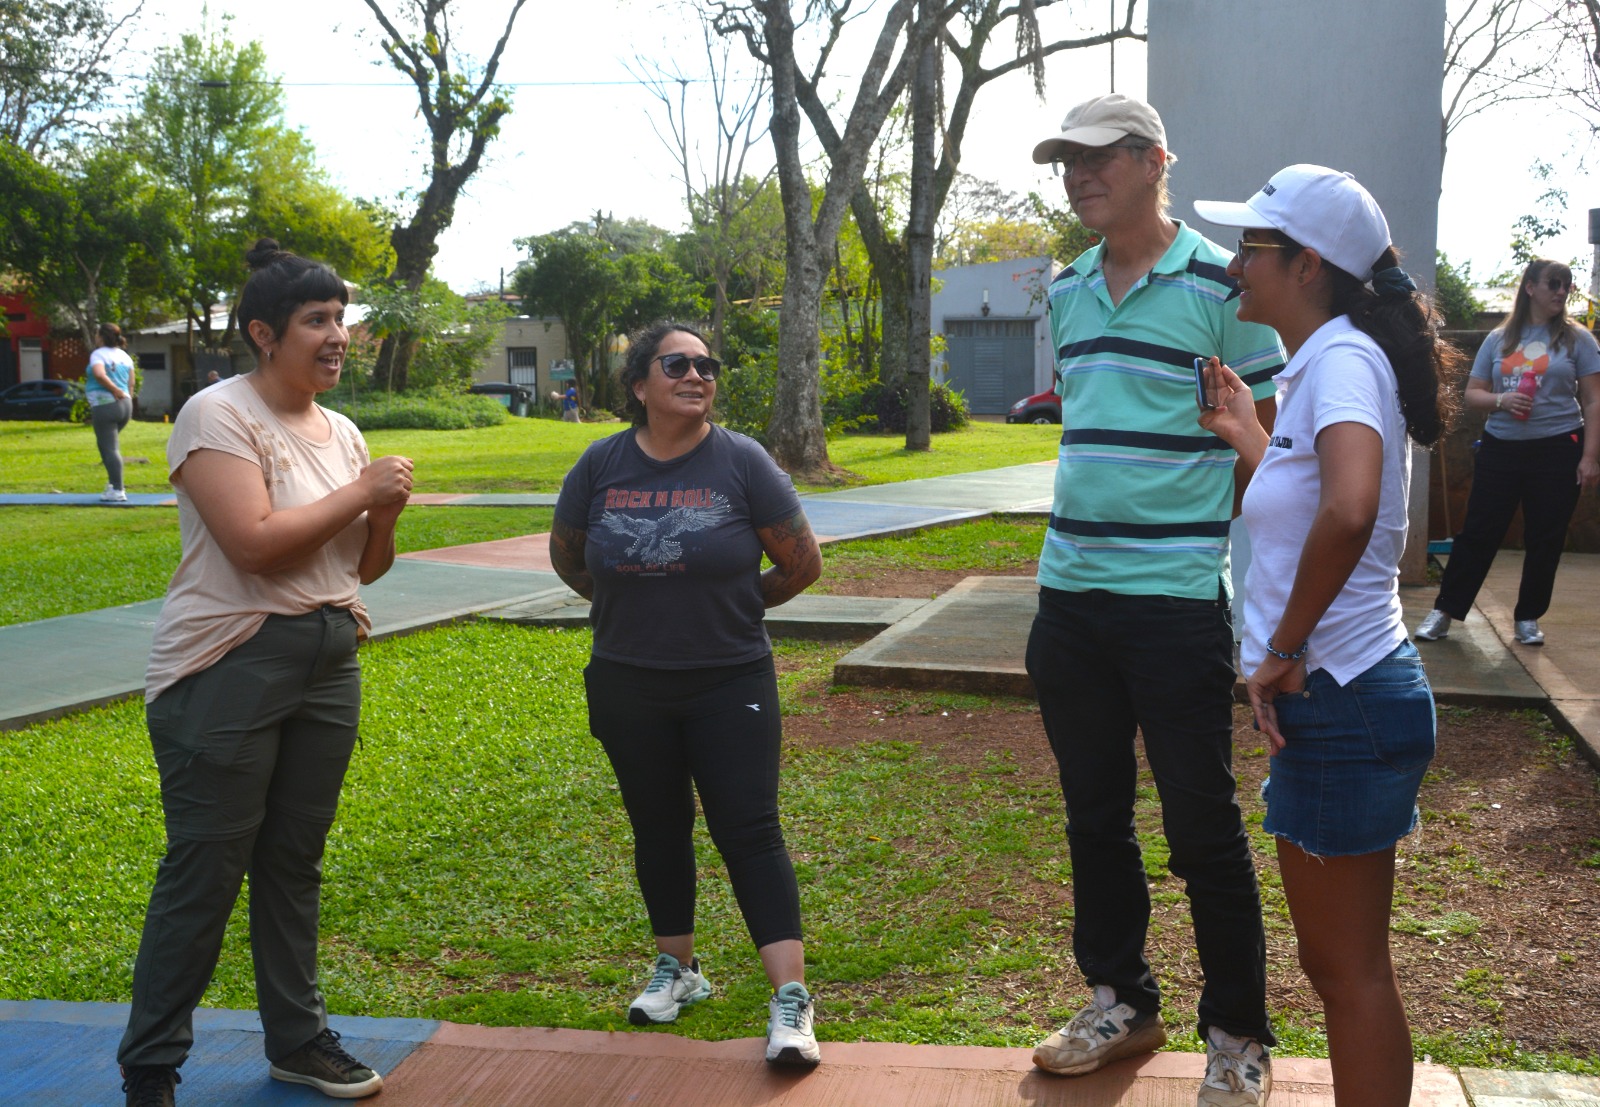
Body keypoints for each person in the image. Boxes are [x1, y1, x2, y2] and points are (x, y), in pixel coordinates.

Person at [1021, 93, 1285, 1106]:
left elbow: (1265, 446)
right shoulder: (1068, 289)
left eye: (1096, 159)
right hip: (1069, 602)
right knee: (1094, 816)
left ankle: (1236, 1034)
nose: (1077, 177)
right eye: (1066, 163)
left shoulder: (1221, 284)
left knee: (1200, 827)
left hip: (1172, 603)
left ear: (1152, 160)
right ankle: (1121, 1000)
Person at [117, 238, 413, 1107]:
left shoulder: (342, 428)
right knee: (206, 866)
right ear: (262, 332)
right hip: (227, 663)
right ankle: (152, 1064)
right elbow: (251, 547)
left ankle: (296, 1038)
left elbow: (358, 567)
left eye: (340, 320)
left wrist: (382, 513)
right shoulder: (218, 415)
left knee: (293, 860)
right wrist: (362, 493)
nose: (337, 336)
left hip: (329, 657)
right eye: (316, 321)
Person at [1192, 166, 1462, 1106]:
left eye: (1253, 249)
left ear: (1307, 265)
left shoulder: (1342, 360)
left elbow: (1350, 509)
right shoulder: (1324, 362)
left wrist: (1285, 648)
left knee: (1350, 976)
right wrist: (1246, 435)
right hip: (1342, 696)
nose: (1236, 264)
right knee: (1340, 968)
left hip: (1341, 694)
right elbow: (1317, 495)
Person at [549, 321, 824, 1066]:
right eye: (679, 364)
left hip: (729, 678)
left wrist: (730, 604)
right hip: (627, 679)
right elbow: (571, 559)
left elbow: (801, 564)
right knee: (658, 824)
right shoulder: (600, 463)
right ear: (640, 384)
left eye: (708, 364)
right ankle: (680, 971)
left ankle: (790, 1002)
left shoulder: (741, 460)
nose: (698, 374)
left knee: (750, 830)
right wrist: (635, 602)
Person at [1415, 258, 1600, 646]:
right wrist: (1502, 399)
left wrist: (1589, 457)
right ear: (1530, 287)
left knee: (1545, 536)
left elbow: (1594, 400)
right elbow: (1472, 393)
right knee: (1479, 532)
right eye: (1553, 283)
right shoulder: (1499, 339)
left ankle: (1528, 617)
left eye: (1566, 285)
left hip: (1557, 447)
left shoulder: (1577, 339)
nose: (1561, 291)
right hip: (1502, 448)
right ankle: (1445, 611)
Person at [87, 322, 136, 502]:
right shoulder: (124, 356)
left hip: (105, 405)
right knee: (105, 445)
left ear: (101, 336)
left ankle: (117, 489)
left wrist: (115, 391)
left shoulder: (98, 354)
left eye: (96, 334)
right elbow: (131, 382)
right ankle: (112, 484)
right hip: (125, 406)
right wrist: (126, 398)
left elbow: (100, 374)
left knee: (110, 448)